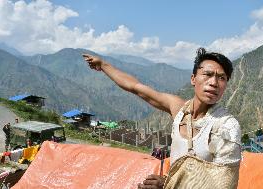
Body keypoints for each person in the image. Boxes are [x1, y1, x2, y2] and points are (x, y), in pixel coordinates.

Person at [83, 48, 241, 188]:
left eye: (222, 78)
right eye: (207, 74)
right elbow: (136, 87)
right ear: (193, 79)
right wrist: (103, 65)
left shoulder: (226, 127)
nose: (214, 82)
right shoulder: (180, 109)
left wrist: (168, 185)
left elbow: (222, 184)